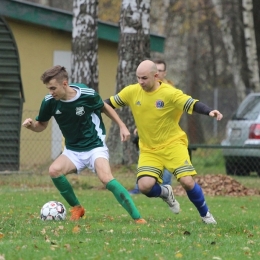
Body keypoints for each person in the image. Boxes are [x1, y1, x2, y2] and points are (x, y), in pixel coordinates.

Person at [22, 65, 146, 224]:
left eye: (53, 88)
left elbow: (104, 107)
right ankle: (77, 208)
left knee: (106, 178)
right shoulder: (49, 101)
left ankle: (137, 217)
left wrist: (122, 126)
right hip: (72, 150)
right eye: (48, 89)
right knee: (54, 170)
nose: (50, 92)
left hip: (95, 146)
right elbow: (41, 125)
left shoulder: (86, 94)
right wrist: (32, 125)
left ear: (65, 84)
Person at [105, 60, 223, 224]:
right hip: (149, 149)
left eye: (144, 78)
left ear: (156, 76)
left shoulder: (169, 93)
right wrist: (120, 124)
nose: (140, 82)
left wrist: (210, 111)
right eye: (138, 78)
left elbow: (191, 103)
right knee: (145, 186)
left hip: (173, 144)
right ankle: (165, 193)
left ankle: (205, 215)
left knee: (187, 181)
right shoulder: (132, 91)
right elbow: (107, 104)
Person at [129, 59, 173, 195]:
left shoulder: (170, 90)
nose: (158, 73)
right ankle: (139, 187)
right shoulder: (144, 89)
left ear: (164, 73)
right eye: (156, 70)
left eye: (160, 71)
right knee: (144, 159)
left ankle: (166, 188)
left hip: (166, 138)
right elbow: (145, 111)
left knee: (166, 166)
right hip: (148, 137)